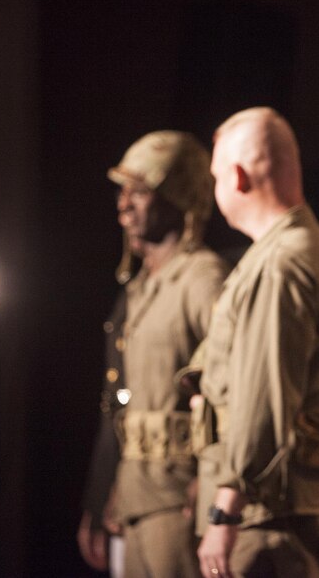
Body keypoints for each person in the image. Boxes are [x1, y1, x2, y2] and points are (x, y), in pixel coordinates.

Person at [196, 107, 319, 578]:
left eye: (216, 178)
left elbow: (263, 401)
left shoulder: (279, 264)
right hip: (310, 499)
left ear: (237, 176)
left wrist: (225, 508)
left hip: (270, 515)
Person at [106, 130, 230, 577]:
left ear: (176, 196)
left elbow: (229, 382)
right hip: (139, 493)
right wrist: (117, 488)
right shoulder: (142, 287)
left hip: (179, 498)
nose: (124, 204)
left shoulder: (203, 278)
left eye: (140, 192)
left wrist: (211, 479)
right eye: (123, 192)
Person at [76, 234, 138, 577]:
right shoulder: (133, 293)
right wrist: (98, 501)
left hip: (166, 497)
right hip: (126, 492)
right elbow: (115, 408)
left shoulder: (198, 280)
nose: (124, 208)